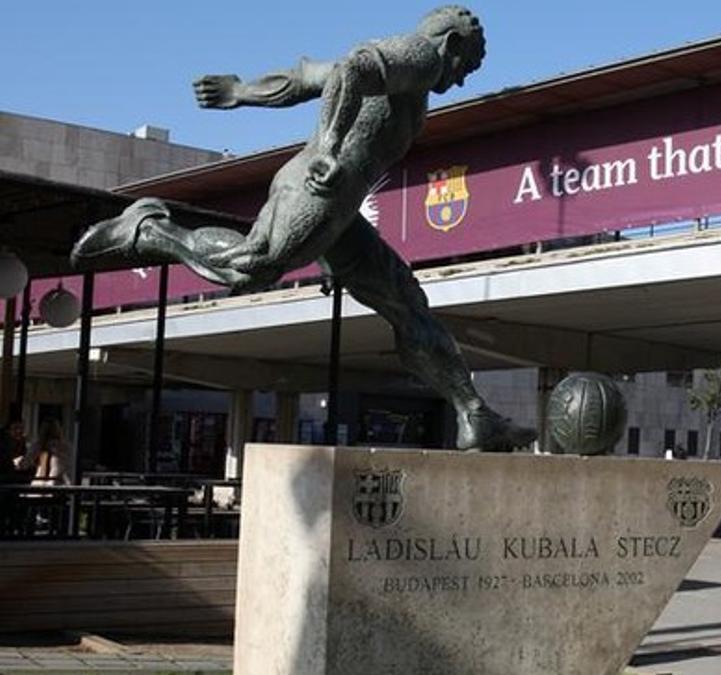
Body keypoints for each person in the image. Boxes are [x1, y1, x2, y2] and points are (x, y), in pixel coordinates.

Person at [71, 6, 534, 452]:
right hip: (319, 189)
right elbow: (353, 67)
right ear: (452, 45)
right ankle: (150, 227)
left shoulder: (410, 75)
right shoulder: (423, 58)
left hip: (342, 211)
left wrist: (242, 92)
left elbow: (312, 76)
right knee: (251, 266)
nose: (460, 79)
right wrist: (330, 146)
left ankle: (474, 414)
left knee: (407, 304)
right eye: (465, 67)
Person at [14, 419, 73, 486]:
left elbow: (24, 464)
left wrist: (16, 461)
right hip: (60, 485)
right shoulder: (66, 446)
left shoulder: (39, 445)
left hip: (41, 485)